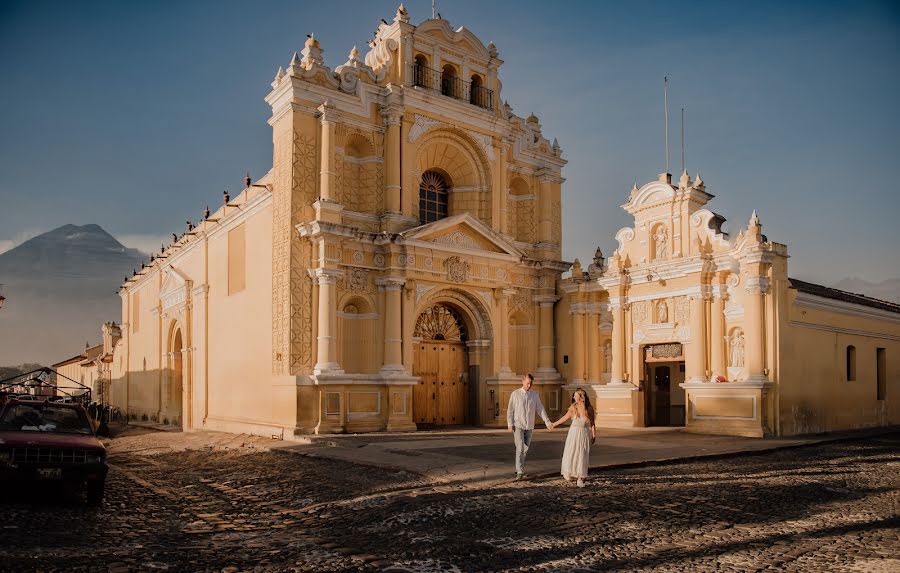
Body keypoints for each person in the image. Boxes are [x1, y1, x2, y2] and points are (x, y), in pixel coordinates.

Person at [507, 373, 553, 480]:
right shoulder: (515, 394)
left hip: (529, 426)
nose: (529, 385)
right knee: (520, 447)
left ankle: (519, 467)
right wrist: (510, 424)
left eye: (531, 383)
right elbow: (510, 410)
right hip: (518, 425)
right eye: (527, 383)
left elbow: (540, 409)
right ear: (522, 381)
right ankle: (519, 471)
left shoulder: (534, 395)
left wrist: (547, 422)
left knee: (525, 448)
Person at [549, 388, 596, 487]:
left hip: (583, 433)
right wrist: (554, 424)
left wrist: (594, 435)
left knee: (581, 454)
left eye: (575, 396)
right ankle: (569, 471)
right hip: (573, 433)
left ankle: (580, 477)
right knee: (571, 452)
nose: (573, 397)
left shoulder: (589, 409)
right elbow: (564, 418)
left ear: (581, 398)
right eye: (574, 396)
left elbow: (592, 423)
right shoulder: (573, 407)